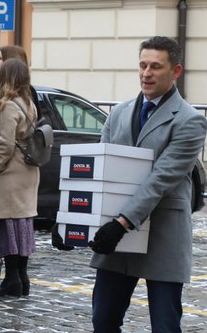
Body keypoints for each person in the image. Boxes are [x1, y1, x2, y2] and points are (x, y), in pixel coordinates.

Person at [79, 36, 205, 332]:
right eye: (143, 65)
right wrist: (76, 226)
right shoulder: (120, 113)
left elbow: (161, 179)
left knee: (165, 325)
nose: (146, 73)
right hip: (117, 239)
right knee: (104, 321)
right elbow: (101, 171)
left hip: (162, 236)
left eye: (155, 67)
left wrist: (121, 224)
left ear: (175, 71)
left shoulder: (190, 121)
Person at [0, 45, 40, 280]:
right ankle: (22, 279)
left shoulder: (8, 106)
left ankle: (13, 280)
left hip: (10, 175)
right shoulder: (29, 103)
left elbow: (5, 143)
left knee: (8, 227)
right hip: (26, 173)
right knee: (22, 226)